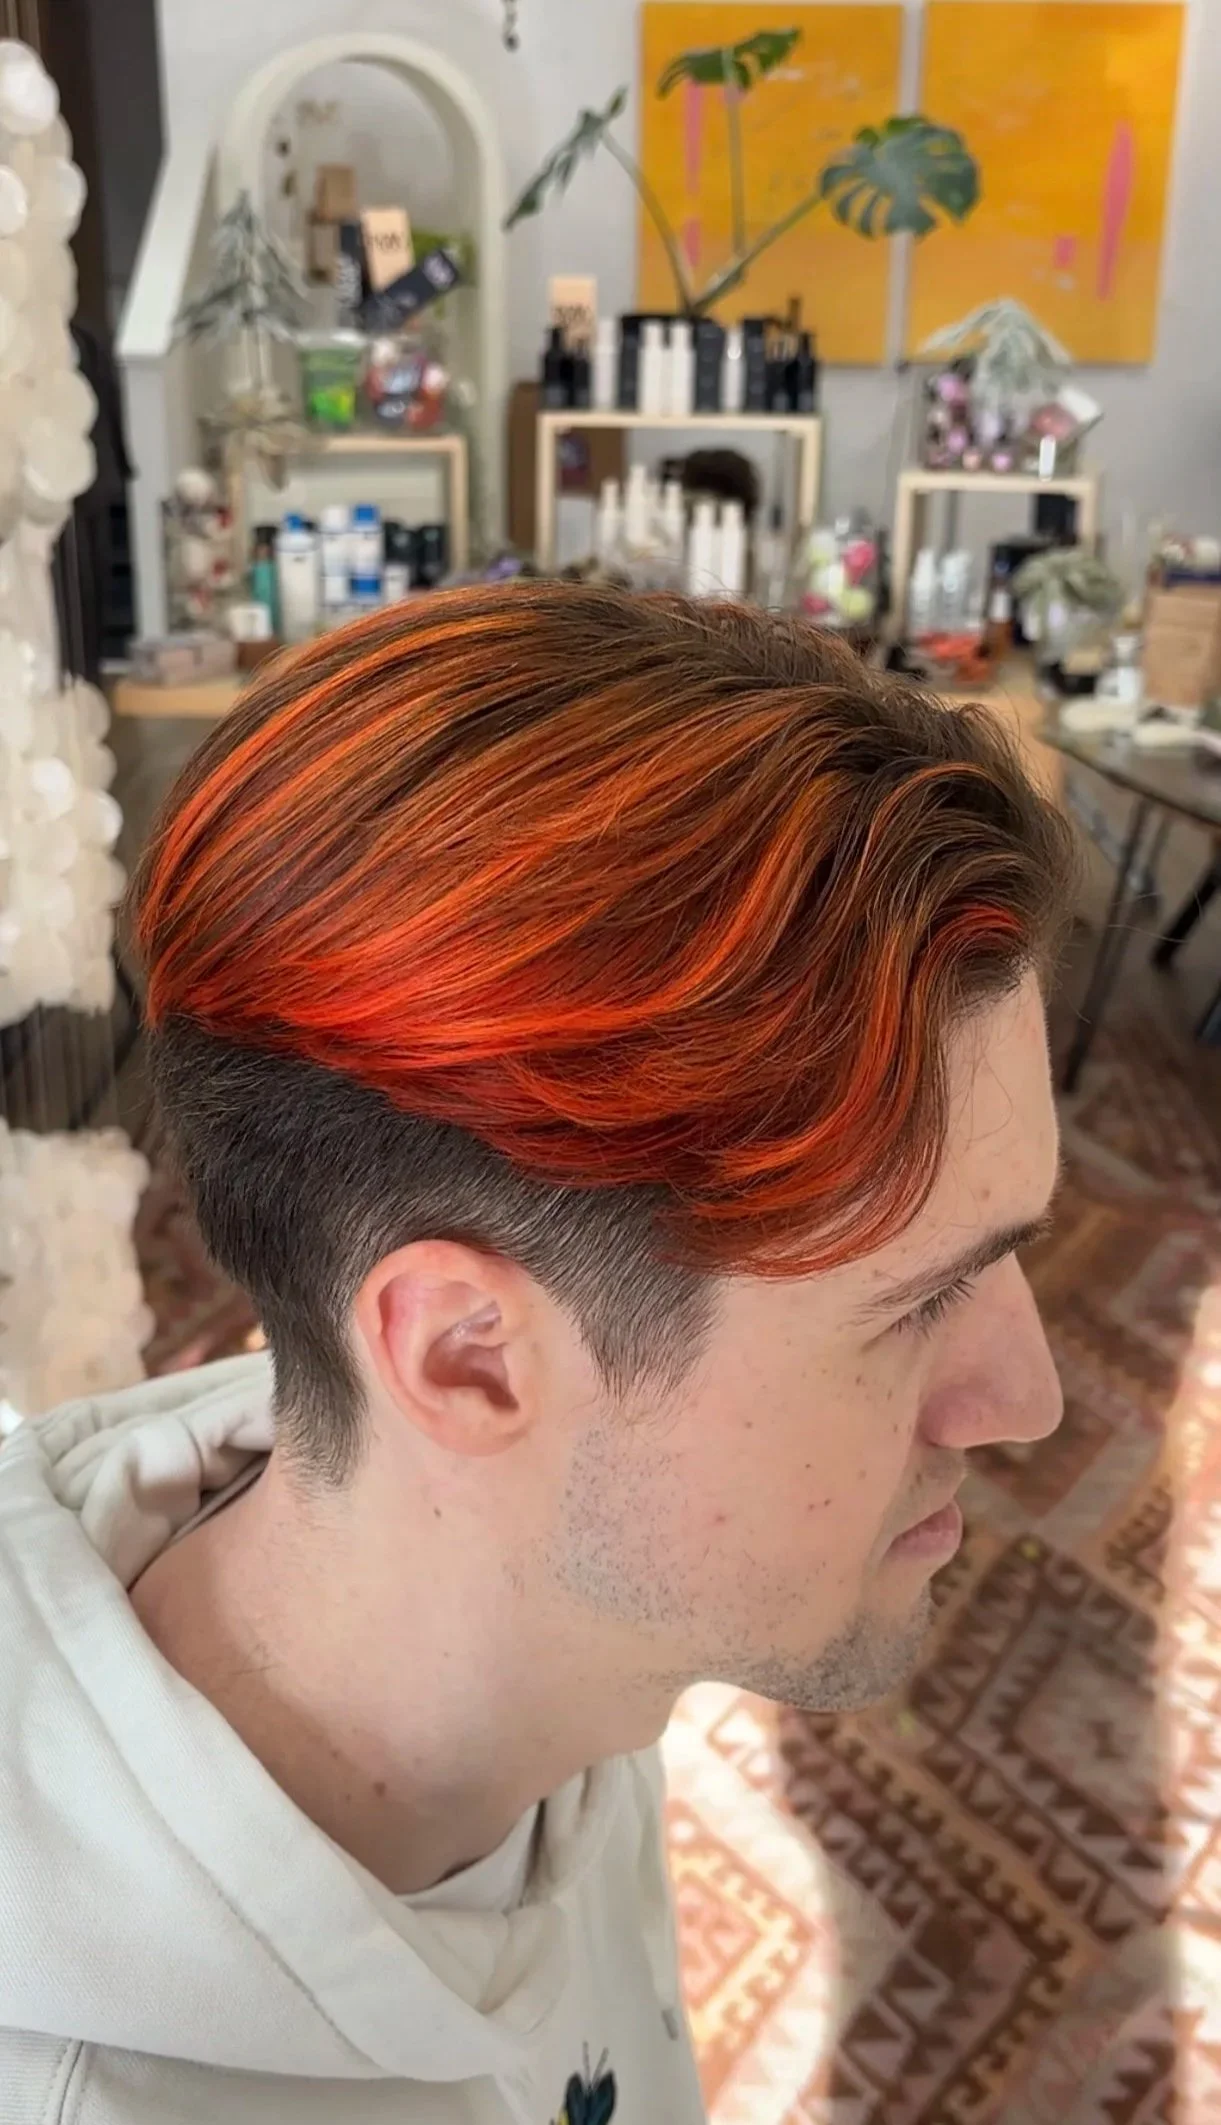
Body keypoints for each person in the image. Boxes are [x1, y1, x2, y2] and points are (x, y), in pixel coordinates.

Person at [0, 584, 1073, 2123]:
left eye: (1010, 1255)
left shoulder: (564, 1633)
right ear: (468, 1364)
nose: (1029, 1399)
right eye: (915, 1302)